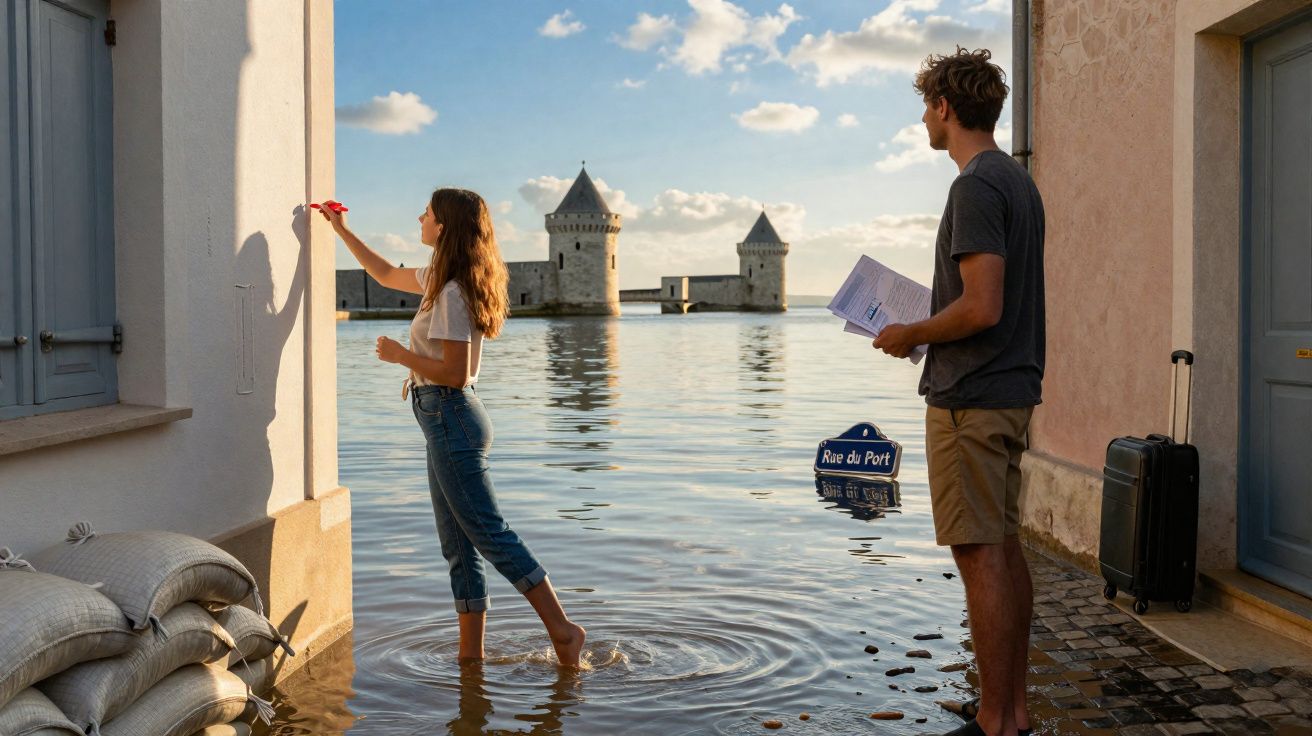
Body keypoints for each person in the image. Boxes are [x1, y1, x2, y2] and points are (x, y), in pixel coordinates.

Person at [319, 189, 587, 668]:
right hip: (441, 418)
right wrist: (340, 230)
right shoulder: (438, 281)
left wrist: (401, 356)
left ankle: (563, 631)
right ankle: (470, 657)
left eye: (427, 212)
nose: (420, 216)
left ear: (444, 226)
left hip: (451, 413)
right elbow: (383, 273)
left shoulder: (451, 293)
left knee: (488, 532)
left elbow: (456, 372)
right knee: (459, 546)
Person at [872, 47, 1045, 736]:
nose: (923, 118)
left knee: (979, 556)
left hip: (971, 396)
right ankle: (1014, 712)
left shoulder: (974, 185)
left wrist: (911, 329)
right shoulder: (1018, 181)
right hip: (1008, 388)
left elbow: (981, 306)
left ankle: (996, 723)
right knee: (1002, 547)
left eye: (926, 106)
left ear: (945, 107)